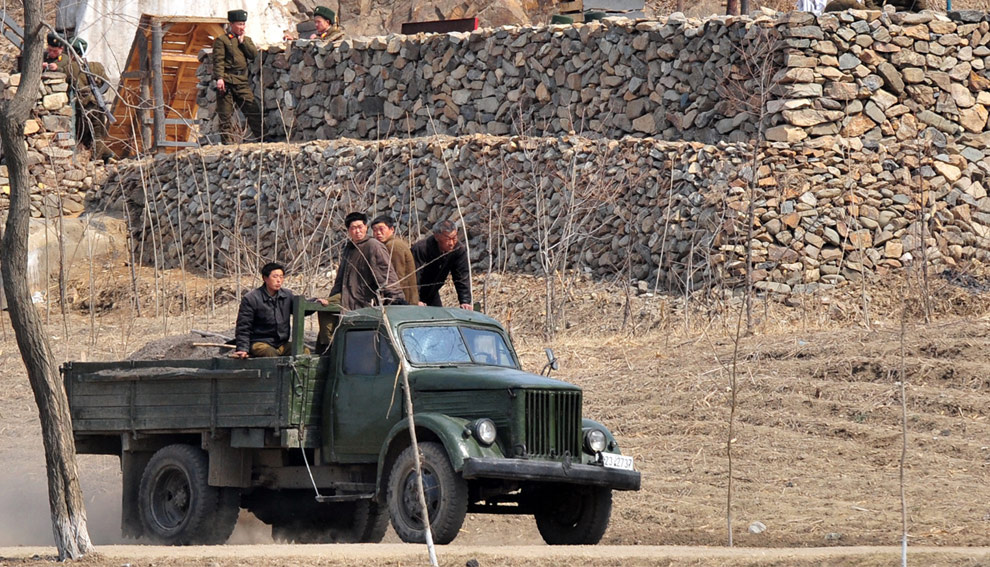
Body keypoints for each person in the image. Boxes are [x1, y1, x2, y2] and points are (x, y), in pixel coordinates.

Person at [233, 262, 327, 358]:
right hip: (260, 342)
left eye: (281, 277)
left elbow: (300, 308)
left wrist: (316, 301)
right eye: (275, 277)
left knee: (303, 351)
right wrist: (242, 349)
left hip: (281, 344)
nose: (279, 280)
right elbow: (243, 327)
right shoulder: (252, 298)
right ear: (265, 278)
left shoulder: (287, 295)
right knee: (270, 353)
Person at [213, 9, 263, 144]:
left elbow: (253, 55)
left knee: (253, 111)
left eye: (243, 24)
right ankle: (227, 144)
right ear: (231, 24)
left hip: (241, 82)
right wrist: (219, 78)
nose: (242, 27)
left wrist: (243, 42)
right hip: (227, 81)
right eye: (240, 24)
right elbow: (218, 60)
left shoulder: (246, 40)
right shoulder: (222, 40)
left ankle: (263, 139)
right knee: (225, 115)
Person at [65, 38, 115, 162]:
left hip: (81, 108)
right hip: (98, 106)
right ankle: (107, 156)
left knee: (84, 137)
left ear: (71, 53)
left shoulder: (69, 68)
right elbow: (106, 84)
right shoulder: (96, 66)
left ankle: (95, 161)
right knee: (97, 136)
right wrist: (97, 93)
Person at [411, 220, 472, 310]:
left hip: (432, 292)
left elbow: (461, 276)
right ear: (437, 236)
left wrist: (465, 301)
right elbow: (414, 277)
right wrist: (415, 300)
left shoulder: (458, 249)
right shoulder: (421, 249)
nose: (451, 243)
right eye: (448, 239)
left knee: (439, 317)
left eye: (454, 238)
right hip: (414, 293)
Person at [371, 215, 419, 305]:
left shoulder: (393, 246)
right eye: (374, 230)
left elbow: (397, 275)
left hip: (403, 299)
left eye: (381, 229)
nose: (378, 233)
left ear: (391, 229)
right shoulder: (387, 245)